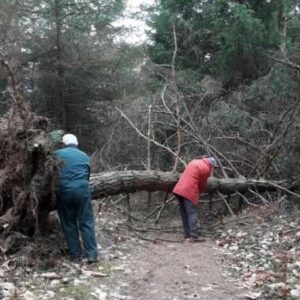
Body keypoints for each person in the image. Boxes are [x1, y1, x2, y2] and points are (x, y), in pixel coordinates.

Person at [54, 133, 98, 263]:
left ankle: (76, 255)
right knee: (86, 221)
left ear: (63, 143)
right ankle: (92, 255)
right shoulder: (84, 155)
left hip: (64, 191)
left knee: (69, 223)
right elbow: (87, 175)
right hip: (82, 190)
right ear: (76, 144)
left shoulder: (55, 154)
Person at [173, 157, 217, 242]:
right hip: (189, 191)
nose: (212, 169)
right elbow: (202, 184)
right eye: (213, 167)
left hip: (178, 189)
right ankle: (193, 236)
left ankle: (187, 235)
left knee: (184, 213)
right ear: (211, 165)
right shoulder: (206, 169)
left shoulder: (194, 161)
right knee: (192, 213)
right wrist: (198, 194)